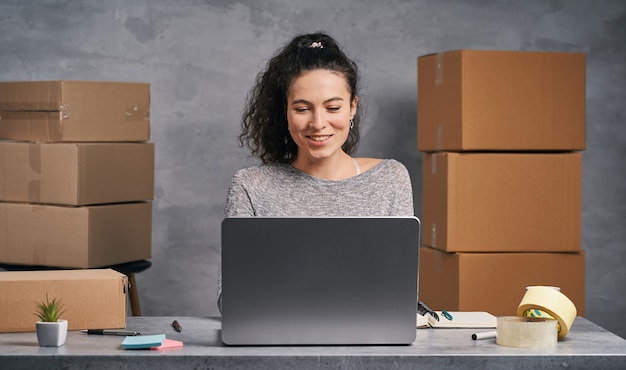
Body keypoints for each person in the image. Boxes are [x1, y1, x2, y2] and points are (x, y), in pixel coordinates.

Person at [218, 32, 414, 311]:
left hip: (370, 342)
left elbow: (399, 290)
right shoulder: (251, 186)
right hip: (275, 341)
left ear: (352, 108)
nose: (318, 123)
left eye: (333, 107)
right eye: (302, 108)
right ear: (284, 112)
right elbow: (231, 299)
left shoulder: (390, 179)